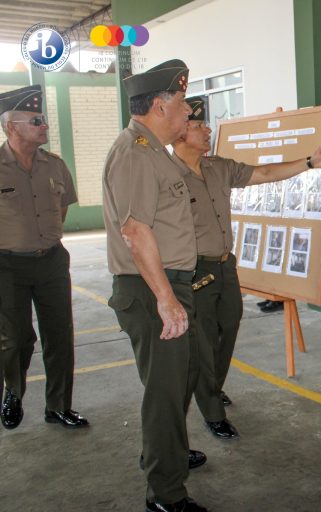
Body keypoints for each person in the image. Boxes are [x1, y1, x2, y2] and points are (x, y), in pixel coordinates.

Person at [171, 96, 321, 440]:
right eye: (198, 126)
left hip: (224, 266)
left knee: (228, 326)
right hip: (193, 270)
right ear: (179, 134)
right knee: (203, 340)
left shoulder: (218, 166)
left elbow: (264, 173)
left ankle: (211, 386)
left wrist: (311, 162)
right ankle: (211, 409)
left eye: (206, 125)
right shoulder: (165, 175)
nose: (208, 130)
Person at [102, 60, 208, 512]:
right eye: (183, 104)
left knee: (180, 379)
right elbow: (136, 231)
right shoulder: (136, 152)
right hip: (150, 290)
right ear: (161, 105)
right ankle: (165, 493)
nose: (188, 114)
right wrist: (166, 299)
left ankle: (164, 452)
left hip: (168, 284)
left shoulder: (152, 151)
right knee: (165, 393)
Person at [0, 85, 88, 430]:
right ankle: (13, 390)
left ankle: (58, 405)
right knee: (16, 338)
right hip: (8, 265)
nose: (44, 125)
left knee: (59, 336)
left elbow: (62, 208)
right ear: (12, 126)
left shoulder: (55, 165)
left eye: (44, 119)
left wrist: (43, 239)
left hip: (51, 261)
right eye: (36, 120)